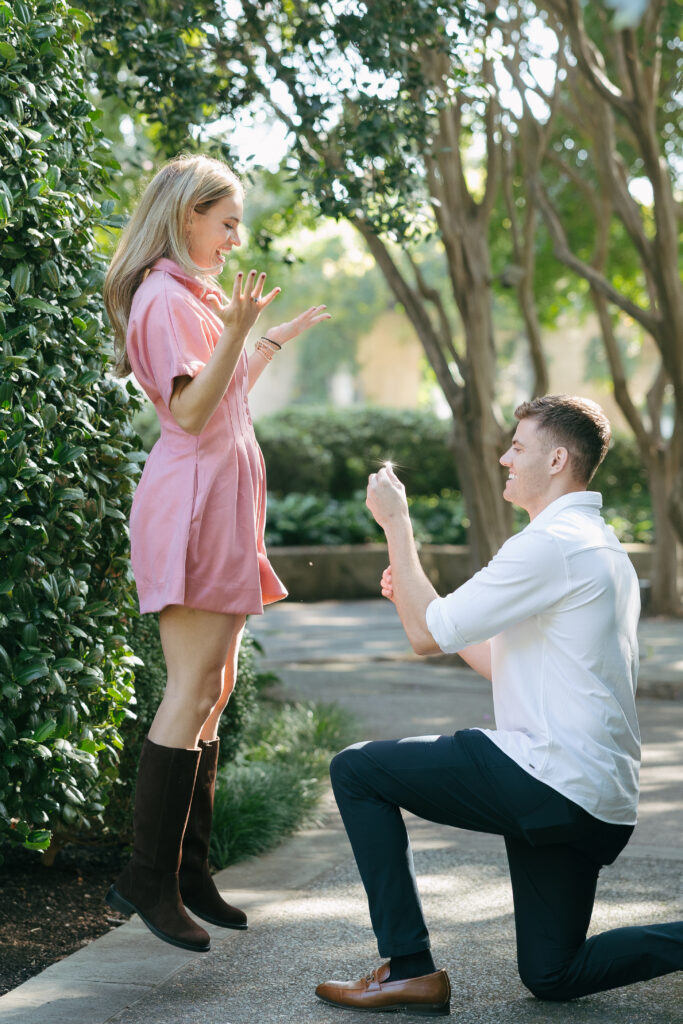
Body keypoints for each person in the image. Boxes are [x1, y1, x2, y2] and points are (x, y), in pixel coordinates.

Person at [315, 395, 682, 1015]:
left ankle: (410, 970)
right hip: (593, 800)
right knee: (553, 973)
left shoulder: (551, 545)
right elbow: (485, 653)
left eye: (518, 445)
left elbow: (426, 635)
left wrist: (397, 528)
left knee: (357, 770)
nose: (505, 457)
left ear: (559, 458)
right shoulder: (595, 543)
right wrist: (414, 591)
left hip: (548, 775)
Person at [102, 154, 330, 953]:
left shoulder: (192, 296)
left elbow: (223, 389)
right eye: (226, 221)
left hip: (222, 505)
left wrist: (260, 340)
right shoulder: (164, 299)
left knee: (216, 688)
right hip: (194, 505)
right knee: (191, 684)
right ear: (185, 215)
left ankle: (188, 872)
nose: (236, 238)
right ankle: (147, 879)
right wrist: (236, 330)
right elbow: (192, 412)